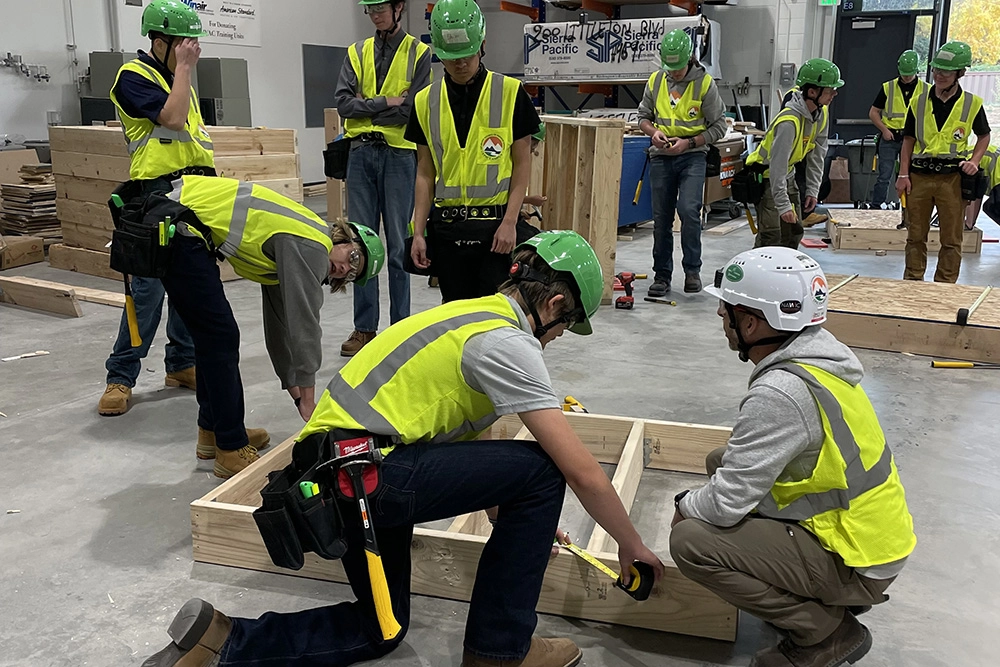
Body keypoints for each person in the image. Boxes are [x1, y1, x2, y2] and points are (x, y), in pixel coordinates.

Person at [140, 230, 663, 667]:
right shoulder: (508, 342)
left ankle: (223, 644)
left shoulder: (466, 317)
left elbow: (465, 441)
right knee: (544, 471)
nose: (558, 337)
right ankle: (502, 653)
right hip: (369, 475)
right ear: (553, 304)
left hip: (338, 479)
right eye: (566, 325)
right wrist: (632, 545)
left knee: (382, 630)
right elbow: (582, 473)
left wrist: (522, 521)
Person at [670, 246, 916, 667]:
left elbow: (725, 505)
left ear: (749, 321)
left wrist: (684, 505)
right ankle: (817, 591)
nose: (719, 318)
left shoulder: (781, 393)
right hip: (871, 539)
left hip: (856, 558)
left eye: (726, 309)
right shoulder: (820, 358)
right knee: (720, 460)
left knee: (691, 541)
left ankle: (824, 632)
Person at [129, 175, 385, 478]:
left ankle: (214, 434)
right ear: (345, 238)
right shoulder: (313, 246)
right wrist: (309, 398)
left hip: (177, 222)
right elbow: (305, 326)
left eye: (353, 273)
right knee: (220, 337)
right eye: (353, 257)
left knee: (213, 338)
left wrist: (294, 391)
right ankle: (230, 447)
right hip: (177, 223)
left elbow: (279, 326)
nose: (345, 269)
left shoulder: (295, 249)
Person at [98, 0, 214, 417]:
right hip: (155, 199)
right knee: (146, 292)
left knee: (192, 285)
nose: (192, 52)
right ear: (160, 40)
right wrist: (182, 70)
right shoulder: (134, 76)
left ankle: (181, 364)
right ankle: (120, 375)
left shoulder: (180, 82)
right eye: (185, 44)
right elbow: (172, 120)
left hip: (194, 195)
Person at [408, 0, 542, 303]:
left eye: (467, 54)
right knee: (455, 316)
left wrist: (509, 222)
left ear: (482, 44)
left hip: (496, 231)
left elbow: (521, 167)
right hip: (447, 230)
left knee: (495, 317)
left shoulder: (511, 93)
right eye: (452, 57)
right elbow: (425, 174)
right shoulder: (424, 102)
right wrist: (418, 232)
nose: (460, 63)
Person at [335, 0, 431, 357]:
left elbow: (411, 110)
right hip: (359, 153)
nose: (375, 15)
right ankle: (364, 330)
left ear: (399, 7)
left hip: (399, 156)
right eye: (370, 9)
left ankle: (401, 329)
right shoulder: (356, 52)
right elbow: (344, 103)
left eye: (381, 8)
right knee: (359, 245)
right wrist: (385, 102)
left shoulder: (419, 53)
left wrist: (369, 104)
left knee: (397, 247)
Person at [637, 28, 727, 296]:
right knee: (661, 219)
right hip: (662, 157)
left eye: (678, 67)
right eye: (670, 67)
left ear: (689, 59)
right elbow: (642, 116)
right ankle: (662, 276)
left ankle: (692, 271)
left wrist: (689, 143)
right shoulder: (655, 82)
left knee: (688, 211)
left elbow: (719, 126)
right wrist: (653, 133)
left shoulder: (704, 84)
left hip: (692, 156)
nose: (674, 73)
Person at [896, 41, 991, 283]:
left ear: (960, 73)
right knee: (915, 235)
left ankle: (945, 286)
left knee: (951, 239)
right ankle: (913, 282)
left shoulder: (972, 104)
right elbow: (908, 140)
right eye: (936, 70)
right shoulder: (917, 102)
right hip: (919, 177)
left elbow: (984, 136)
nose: (938, 75)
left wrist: (975, 160)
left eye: (945, 71)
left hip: (952, 179)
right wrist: (903, 175)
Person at [746, 59, 839, 250]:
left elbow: (817, 154)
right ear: (813, 92)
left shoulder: (821, 114)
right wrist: (782, 205)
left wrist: (813, 190)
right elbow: (776, 168)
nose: (834, 94)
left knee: (793, 233)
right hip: (766, 178)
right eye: (830, 90)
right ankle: (759, 278)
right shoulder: (789, 122)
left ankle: (785, 277)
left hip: (787, 175)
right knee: (772, 236)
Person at [868, 50, 930, 210]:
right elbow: (873, 112)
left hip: (913, 140)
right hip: (890, 137)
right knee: (884, 176)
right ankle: (876, 206)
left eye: (909, 74)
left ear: (916, 70)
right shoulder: (888, 87)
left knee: (910, 175)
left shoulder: (927, 90)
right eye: (904, 74)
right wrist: (884, 130)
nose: (906, 77)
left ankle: (909, 208)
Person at [966, 145, 1000, 228]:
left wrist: (969, 223)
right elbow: (977, 195)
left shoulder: (966, 163)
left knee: (991, 208)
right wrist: (971, 223)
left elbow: (970, 195)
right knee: (989, 207)